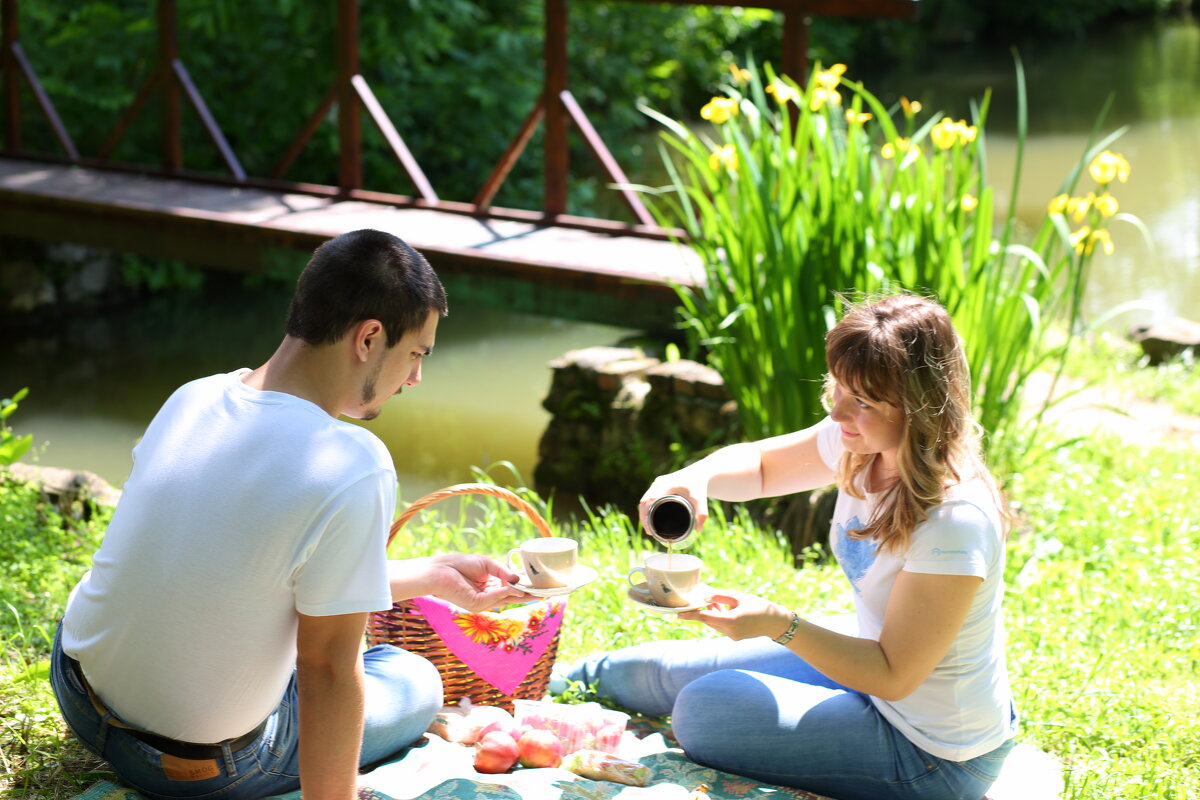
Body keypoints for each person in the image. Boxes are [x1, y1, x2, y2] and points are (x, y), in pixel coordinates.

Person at [50, 229, 532, 800]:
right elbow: (326, 667)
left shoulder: (195, 397)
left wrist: (429, 577)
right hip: (195, 767)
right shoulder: (353, 462)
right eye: (416, 354)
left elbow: (222, 565)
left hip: (80, 696)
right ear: (370, 337)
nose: (415, 378)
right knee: (413, 678)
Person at [560, 294, 1019, 800]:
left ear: (920, 407)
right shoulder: (862, 440)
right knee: (653, 673)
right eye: (838, 387)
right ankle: (540, 677)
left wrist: (780, 625)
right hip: (872, 659)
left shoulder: (954, 520)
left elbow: (893, 675)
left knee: (704, 708)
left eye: (863, 400)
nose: (838, 411)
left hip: (930, 751)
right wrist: (694, 476)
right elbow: (762, 467)